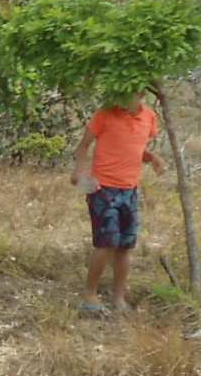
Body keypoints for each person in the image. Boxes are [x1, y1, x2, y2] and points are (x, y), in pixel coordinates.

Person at [70, 93, 163, 312]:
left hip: (130, 189)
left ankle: (118, 298)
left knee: (125, 245)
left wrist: (153, 159)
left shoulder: (149, 117)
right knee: (106, 243)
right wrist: (80, 171)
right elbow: (82, 147)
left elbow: (136, 148)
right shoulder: (105, 114)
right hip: (103, 188)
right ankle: (89, 295)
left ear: (141, 93)